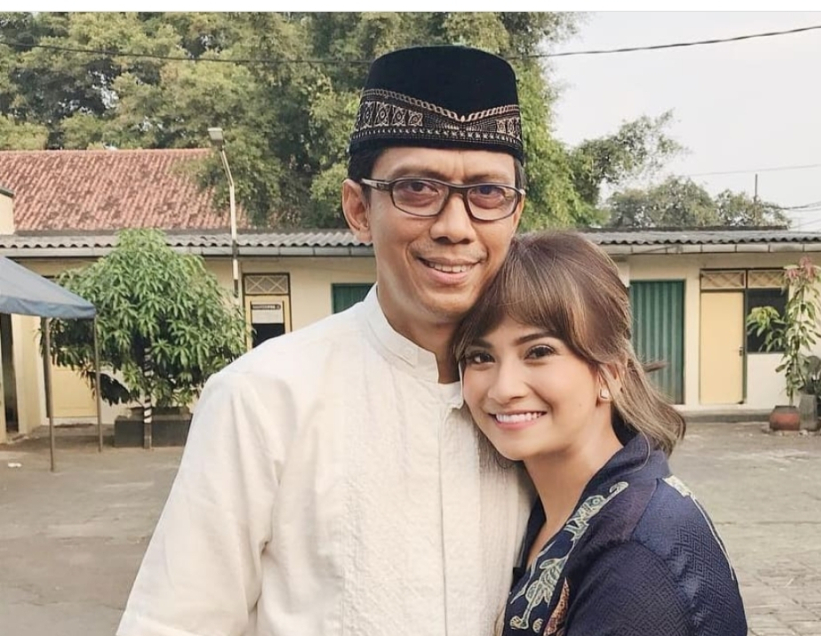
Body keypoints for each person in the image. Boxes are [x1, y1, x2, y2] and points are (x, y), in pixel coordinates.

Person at [117, 45, 532, 636]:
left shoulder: (539, 406)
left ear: (515, 215)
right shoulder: (263, 398)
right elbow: (175, 624)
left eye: (488, 193)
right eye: (417, 188)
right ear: (359, 209)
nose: (454, 226)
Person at [453, 231, 748, 636]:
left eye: (538, 352)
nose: (504, 389)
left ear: (610, 373)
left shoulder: (633, 555)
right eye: (480, 356)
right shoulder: (548, 507)